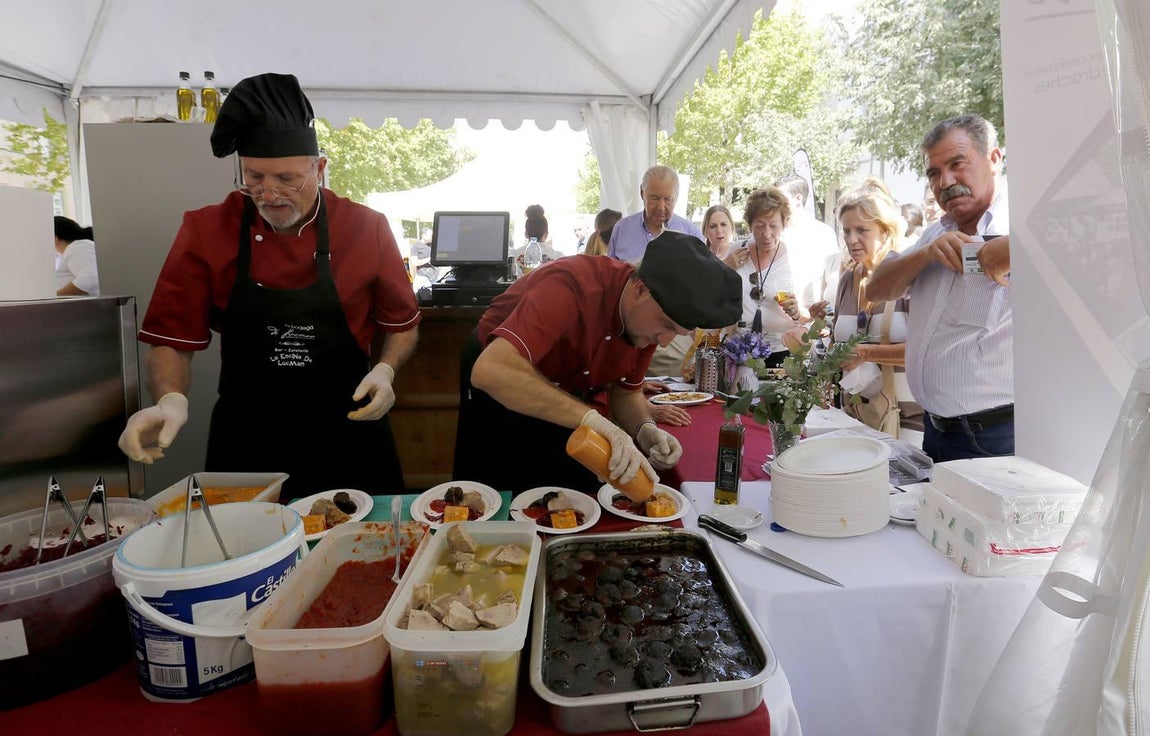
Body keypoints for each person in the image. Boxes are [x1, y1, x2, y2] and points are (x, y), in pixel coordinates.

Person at [117, 72, 420, 498]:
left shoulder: (365, 227)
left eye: (287, 178)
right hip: (248, 439)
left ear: (319, 168)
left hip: (348, 431)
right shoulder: (206, 229)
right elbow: (172, 338)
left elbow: (401, 323)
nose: (270, 193)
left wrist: (386, 371)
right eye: (254, 177)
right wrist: (171, 399)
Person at [453, 231, 741, 495]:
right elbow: (492, 371)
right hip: (499, 371)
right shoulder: (572, 286)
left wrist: (644, 428)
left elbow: (626, 392)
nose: (664, 342)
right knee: (496, 489)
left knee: (566, 489)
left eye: (675, 333)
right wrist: (593, 419)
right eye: (665, 326)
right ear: (640, 289)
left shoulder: (646, 316)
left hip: (566, 385)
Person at [867, 113, 1012, 462]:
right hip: (936, 433)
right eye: (934, 172)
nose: (946, 181)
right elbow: (877, 289)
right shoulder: (935, 232)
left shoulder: (1020, 225)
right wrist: (926, 255)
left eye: (957, 164)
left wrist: (1010, 248)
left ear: (993, 159)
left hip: (993, 438)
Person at [823, 179, 912, 436]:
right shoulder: (847, 280)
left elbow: (925, 350)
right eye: (846, 231)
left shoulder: (907, 275)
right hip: (855, 412)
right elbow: (835, 342)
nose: (852, 240)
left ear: (884, 231)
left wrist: (868, 353)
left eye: (862, 230)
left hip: (906, 417)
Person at [731, 187, 801, 367]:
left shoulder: (794, 259)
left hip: (780, 351)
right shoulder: (736, 252)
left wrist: (796, 312)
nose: (767, 233)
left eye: (774, 225)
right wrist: (726, 266)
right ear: (750, 224)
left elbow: (810, 315)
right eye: (760, 225)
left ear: (784, 223)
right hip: (738, 351)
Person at [774, 173, 839, 317]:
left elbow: (832, 280)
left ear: (798, 198)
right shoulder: (775, 234)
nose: (775, 204)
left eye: (780, 199)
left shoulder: (824, 233)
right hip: (777, 317)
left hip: (813, 322)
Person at [608, 165, 704, 262]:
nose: (661, 207)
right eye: (655, 198)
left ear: (676, 197)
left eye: (668, 199)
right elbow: (610, 274)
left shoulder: (692, 234)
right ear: (642, 193)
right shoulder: (621, 229)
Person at [54, 216, 100, 296]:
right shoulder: (75, 249)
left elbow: (92, 277)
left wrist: (55, 298)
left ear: (55, 237)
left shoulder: (77, 247)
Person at [703, 204, 747, 270]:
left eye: (723, 224)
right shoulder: (699, 258)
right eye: (713, 226)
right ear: (705, 231)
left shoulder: (741, 253)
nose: (719, 230)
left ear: (732, 227)